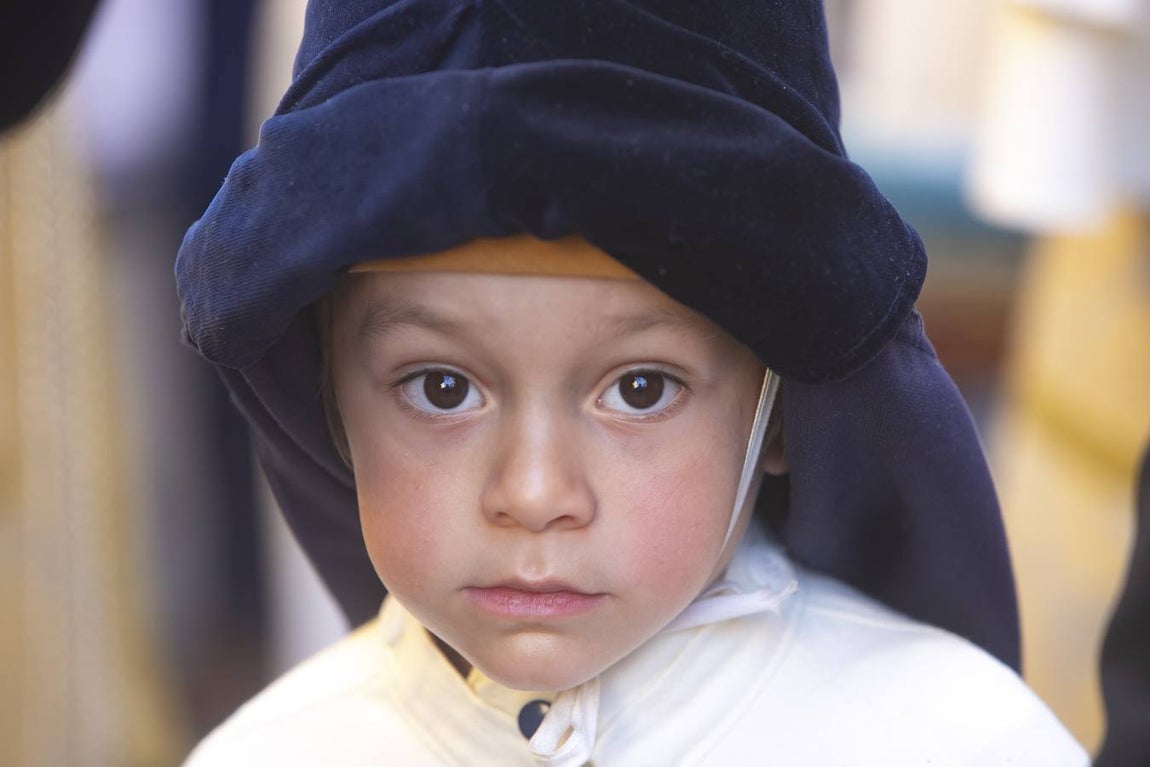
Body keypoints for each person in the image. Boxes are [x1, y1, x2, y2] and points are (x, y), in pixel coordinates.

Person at [175, 0, 1088, 763]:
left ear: (776, 406)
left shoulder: (961, 742)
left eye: (641, 389)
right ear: (330, 397)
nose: (533, 494)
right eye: (443, 388)